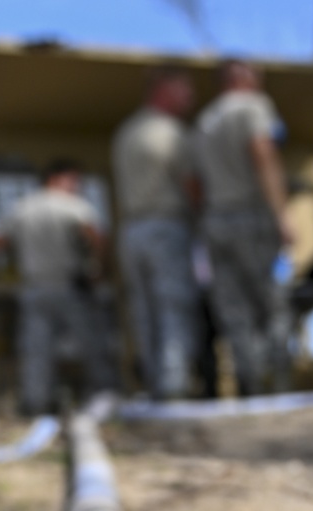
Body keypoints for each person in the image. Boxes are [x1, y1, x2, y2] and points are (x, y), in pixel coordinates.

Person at [195, 60, 292, 396]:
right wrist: (281, 214)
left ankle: (249, 385)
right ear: (244, 79)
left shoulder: (205, 121)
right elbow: (262, 153)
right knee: (272, 304)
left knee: (234, 311)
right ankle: (279, 385)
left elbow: (195, 182)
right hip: (252, 216)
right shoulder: (254, 107)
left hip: (216, 221)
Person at [113, 69, 201, 400]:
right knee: (173, 305)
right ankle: (174, 385)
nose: (189, 100)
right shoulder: (172, 133)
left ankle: (153, 383)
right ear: (163, 91)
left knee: (144, 310)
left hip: (131, 231)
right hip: (166, 226)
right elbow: (192, 186)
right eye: (184, 91)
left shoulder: (127, 132)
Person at [0, 161, 112, 412]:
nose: (76, 187)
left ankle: (36, 403)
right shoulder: (72, 205)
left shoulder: (22, 208)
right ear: (56, 179)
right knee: (91, 342)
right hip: (68, 285)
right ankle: (105, 395)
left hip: (34, 289)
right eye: (73, 180)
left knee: (37, 350)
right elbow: (96, 237)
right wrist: (98, 270)